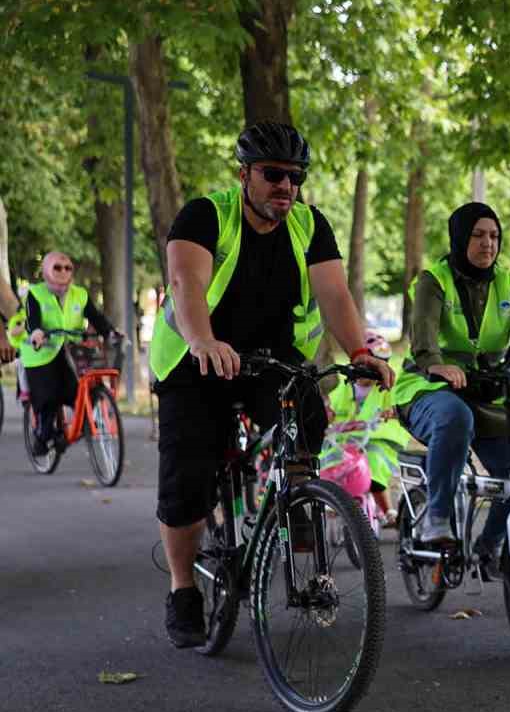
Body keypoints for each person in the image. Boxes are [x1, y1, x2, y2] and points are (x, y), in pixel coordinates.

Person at [153, 121, 393, 649]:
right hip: (197, 361)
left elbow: (334, 294)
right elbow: (186, 283)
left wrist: (359, 353)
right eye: (272, 175)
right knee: (188, 477)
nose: (285, 186)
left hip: (270, 358)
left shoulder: (310, 225)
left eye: (294, 177)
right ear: (245, 174)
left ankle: (298, 500)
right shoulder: (206, 215)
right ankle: (184, 587)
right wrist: (202, 341)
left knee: (308, 408)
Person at [389, 201, 510, 574]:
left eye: (493, 236)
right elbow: (422, 330)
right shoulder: (434, 280)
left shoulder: (507, 283)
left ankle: (488, 549)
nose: (487, 243)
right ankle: (436, 517)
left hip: (487, 393)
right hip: (429, 389)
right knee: (454, 417)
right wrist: (435, 363)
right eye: (477, 235)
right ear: (460, 238)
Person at [21, 252, 117, 452]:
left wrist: (110, 332)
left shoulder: (79, 294)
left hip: (71, 351)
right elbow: (32, 319)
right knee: (48, 395)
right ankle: (43, 434)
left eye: (67, 268)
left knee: (81, 389)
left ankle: (82, 423)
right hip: (41, 353)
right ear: (46, 270)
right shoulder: (36, 293)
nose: (63, 271)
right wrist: (37, 332)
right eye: (57, 267)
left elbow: (95, 316)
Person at [322, 330, 410, 523]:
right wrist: (327, 413)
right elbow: (332, 408)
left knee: (373, 464)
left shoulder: (388, 387)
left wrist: (393, 412)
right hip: (345, 441)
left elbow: (401, 404)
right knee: (329, 463)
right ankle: (335, 500)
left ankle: (388, 510)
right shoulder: (344, 387)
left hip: (380, 438)